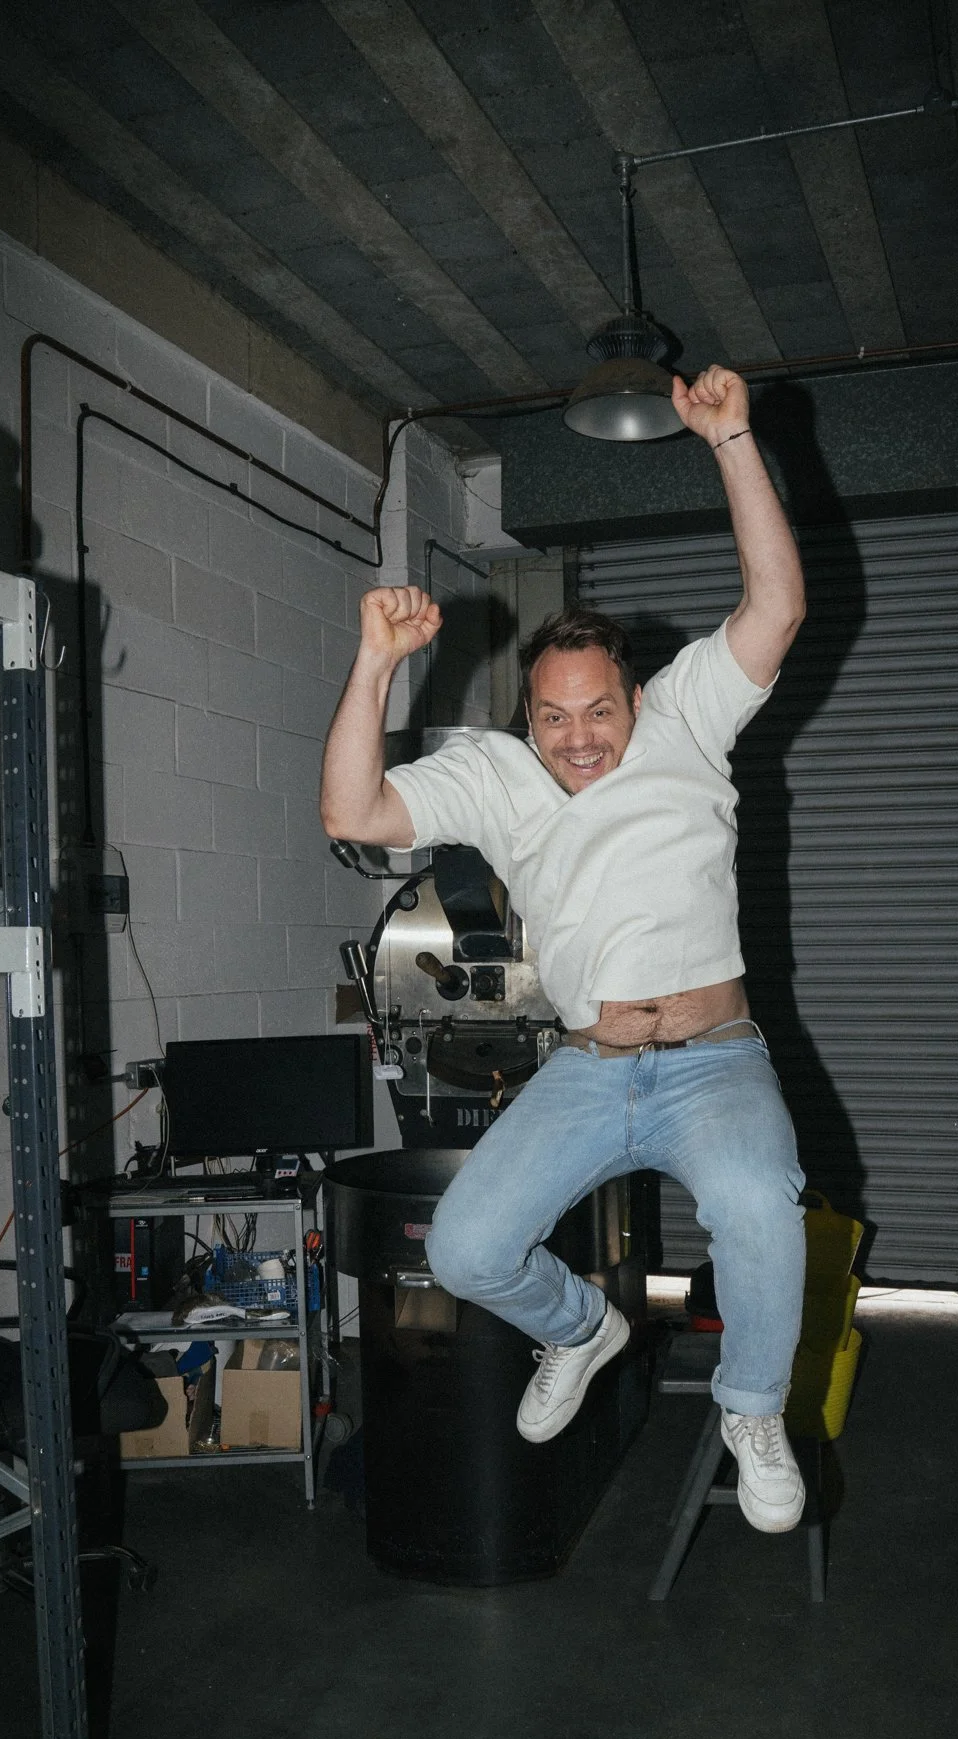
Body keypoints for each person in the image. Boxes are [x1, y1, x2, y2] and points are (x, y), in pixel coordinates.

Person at [321, 365, 809, 1532]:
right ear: (526, 714)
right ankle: (583, 1328)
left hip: (712, 1058)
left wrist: (730, 440)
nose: (579, 737)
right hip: (588, 1067)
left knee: (759, 1200)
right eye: (553, 715)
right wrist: (375, 662)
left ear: (633, 698)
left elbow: (778, 605)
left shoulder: (687, 717)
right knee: (467, 1247)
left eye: (599, 710)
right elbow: (351, 810)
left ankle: (751, 1409)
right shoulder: (494, 778)